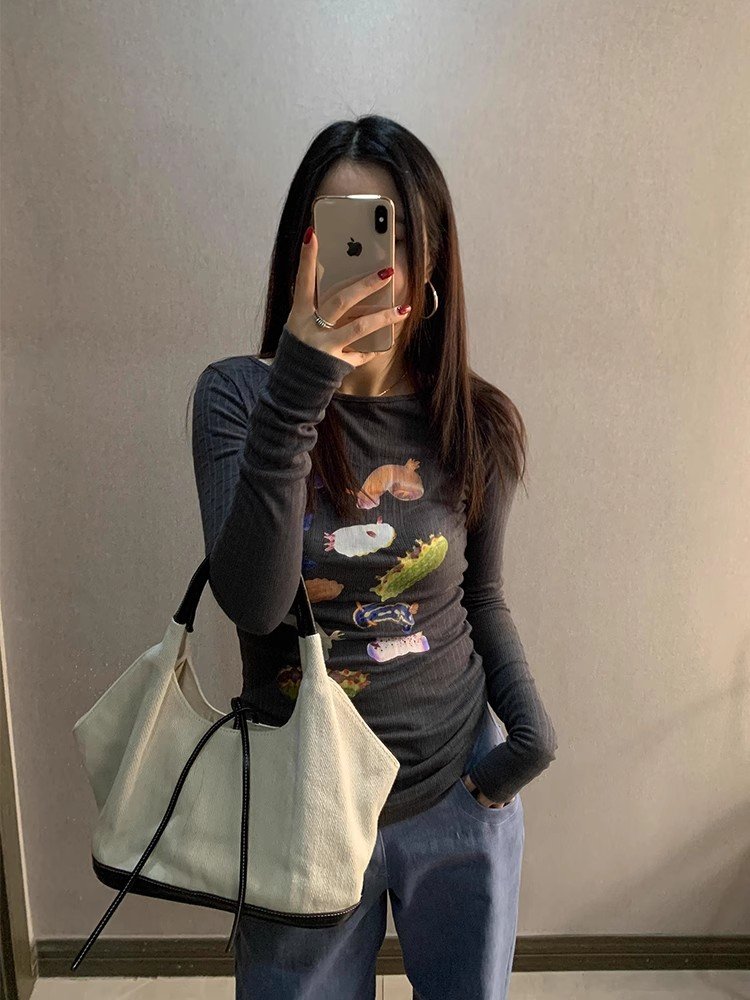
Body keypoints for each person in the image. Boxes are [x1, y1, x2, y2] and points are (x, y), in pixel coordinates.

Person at [190, 114, 557, 1000]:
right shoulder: (238, 397)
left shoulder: (477, 421)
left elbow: (480, 599)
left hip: (456, 794)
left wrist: (528, 738)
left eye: (384, 231)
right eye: (338, 232)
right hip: (302, 812)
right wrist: (300, 387)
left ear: (428, 258)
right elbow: (255, 604)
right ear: (301, 251)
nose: (363, 261)